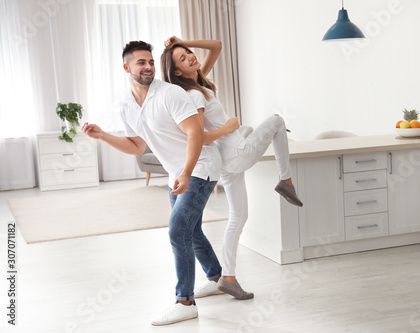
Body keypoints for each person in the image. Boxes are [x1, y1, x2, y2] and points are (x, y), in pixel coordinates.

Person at [81, 41, 223, 326]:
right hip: (177, 173)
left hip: (200, 168)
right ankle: (218, 278)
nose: (147, 67)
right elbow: (136, 146)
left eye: (150, 62)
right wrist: (103, 136)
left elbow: (195, 134)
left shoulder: (170, 94)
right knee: (191, 231)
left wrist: (186, 172)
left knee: (177, 231)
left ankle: (185, 301)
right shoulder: (126, 105)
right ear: (126, 68)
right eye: (140, 63)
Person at [160, 37, 303, 300]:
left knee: (238, 217)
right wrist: (227, 128)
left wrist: (182, 41)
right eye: (183, 58)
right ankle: (286, 180)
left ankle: (228, 277)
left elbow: (216, 46)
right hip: (239, 152)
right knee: (277, 120)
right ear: (177, 72)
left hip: (225, 163)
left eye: (189, 52)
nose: (191, 56)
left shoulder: (198, 84)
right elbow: (198, 136)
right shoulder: (194, 95)